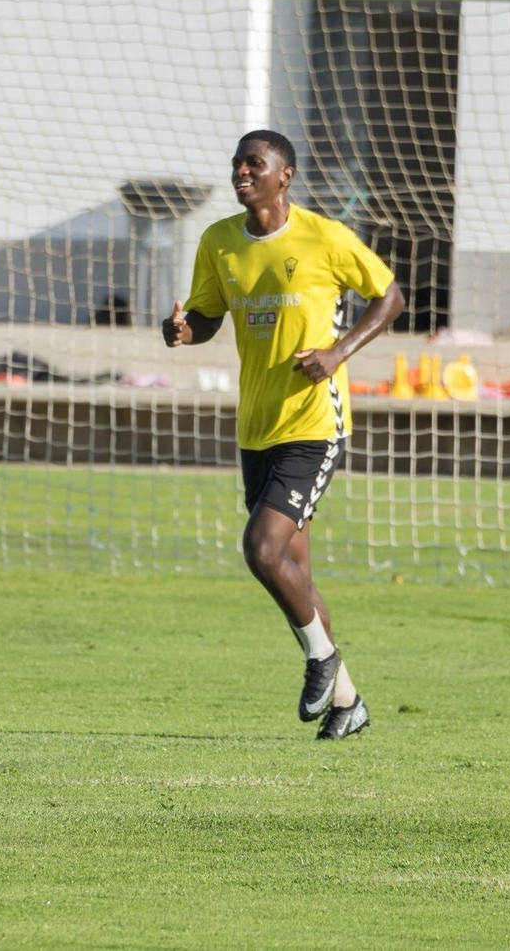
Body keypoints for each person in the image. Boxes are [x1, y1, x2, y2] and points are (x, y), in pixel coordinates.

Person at [163, 130, 403, 741]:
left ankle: (321, 661)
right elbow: (209, 318)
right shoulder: (219, 241)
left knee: (263, 549)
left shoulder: (324, 237)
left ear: (285, 174)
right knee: (293, 569)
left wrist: (338, 351)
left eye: (255, 163)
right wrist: (182, 332)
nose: (243, 171)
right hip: (256, 426)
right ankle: (348, 703)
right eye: (238, 163)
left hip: (314, 423)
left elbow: (389, 296)